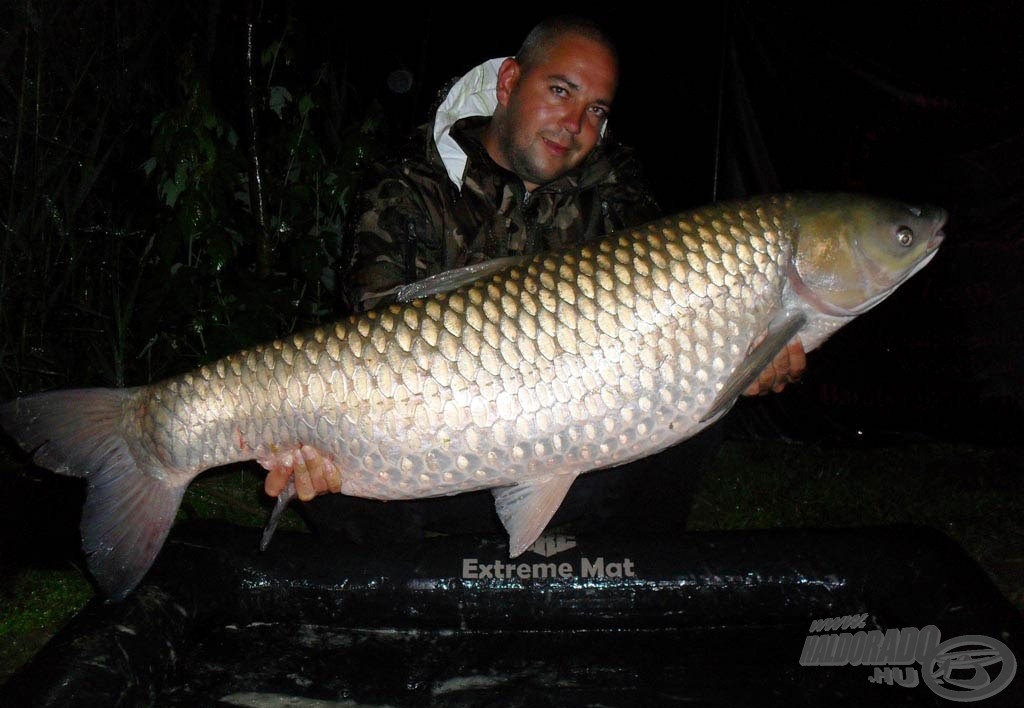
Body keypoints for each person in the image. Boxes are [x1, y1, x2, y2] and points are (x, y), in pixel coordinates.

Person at [262, 15, 805, 544]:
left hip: (572, 444)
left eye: (595, 109)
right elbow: (379, 348)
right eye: (561, 91)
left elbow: (666, 343)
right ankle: (418, 602)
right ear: (509, 83)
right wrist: (320, 442)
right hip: (431, 454)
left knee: (698, 413)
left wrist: (740, 362)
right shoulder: (407, 188)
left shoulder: (618, 196)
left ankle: (619, 590)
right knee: (324, 473)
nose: (575, 125)